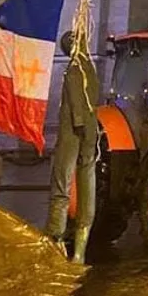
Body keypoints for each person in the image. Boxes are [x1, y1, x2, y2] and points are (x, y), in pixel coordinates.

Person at [44, 29, 100, 264]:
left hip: (73, 133)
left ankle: (55, 242)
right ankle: (79, 253)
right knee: (88, 191)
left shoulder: (74, 69)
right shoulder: (90, 68)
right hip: (90, 132)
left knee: (61, 185)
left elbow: (77, 104)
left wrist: (79, 123)